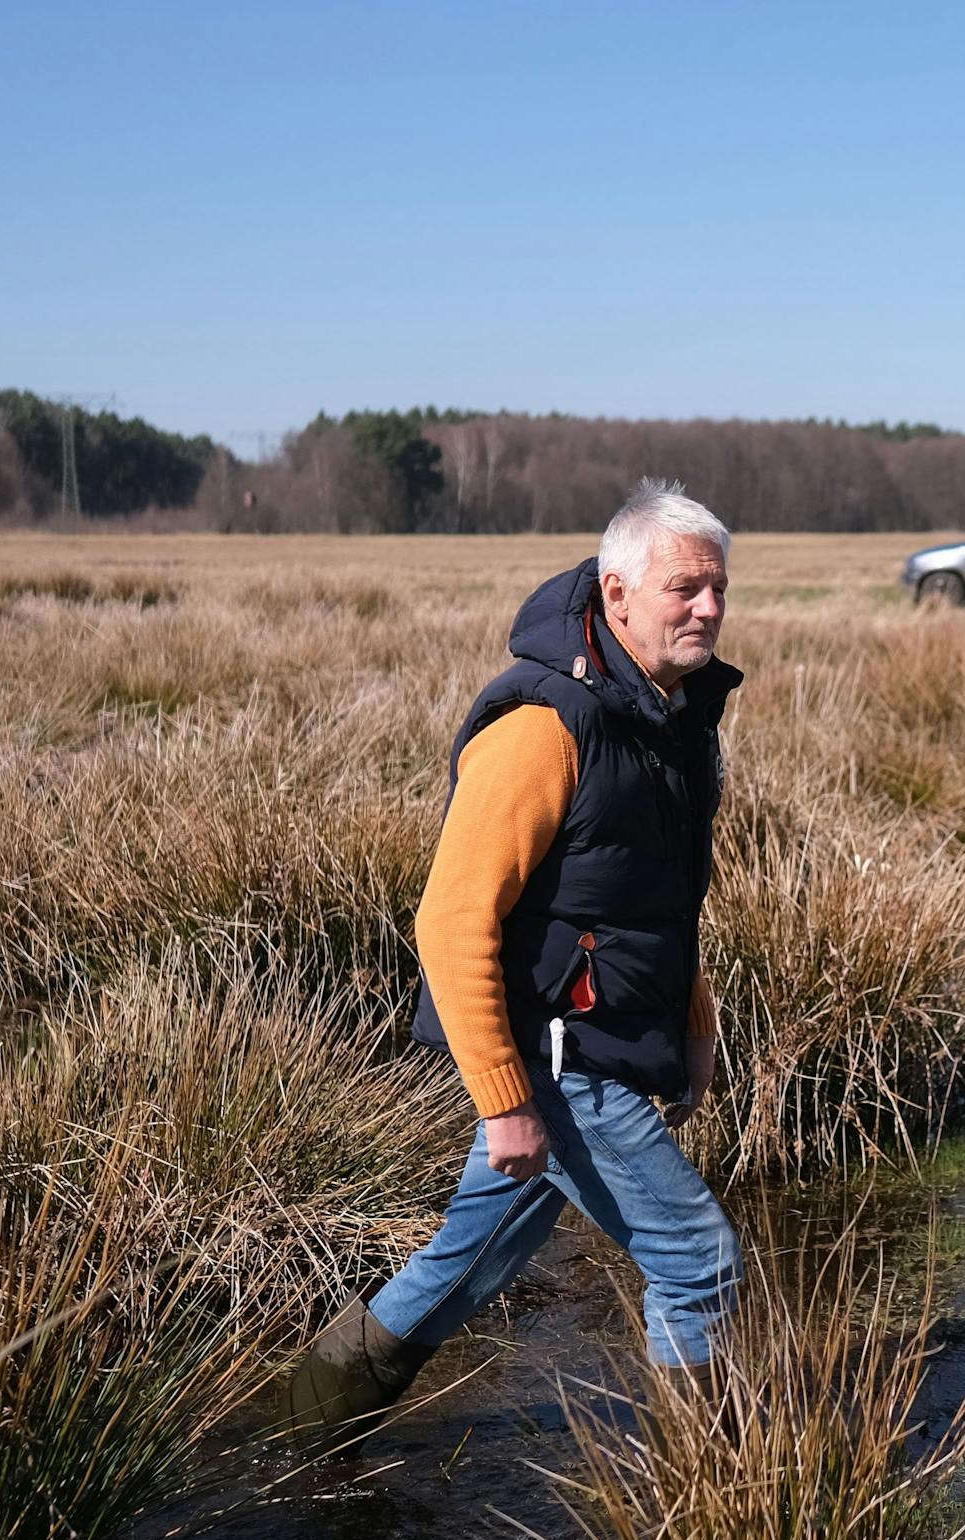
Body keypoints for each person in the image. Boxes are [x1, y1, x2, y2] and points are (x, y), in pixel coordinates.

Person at [288, 480, 745, 1431]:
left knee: (469, 1258)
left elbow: (660, 906)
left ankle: (303, 1422)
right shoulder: (543, 729)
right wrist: (504, 1099)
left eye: (719, 589)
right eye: (685, 589)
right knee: (697, 1262)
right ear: (617, 593)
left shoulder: (673, 720)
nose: (708, 608)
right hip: (562, 1059)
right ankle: (707, 1480)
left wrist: (693, 1030)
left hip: (599, 1043)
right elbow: (450, 921)